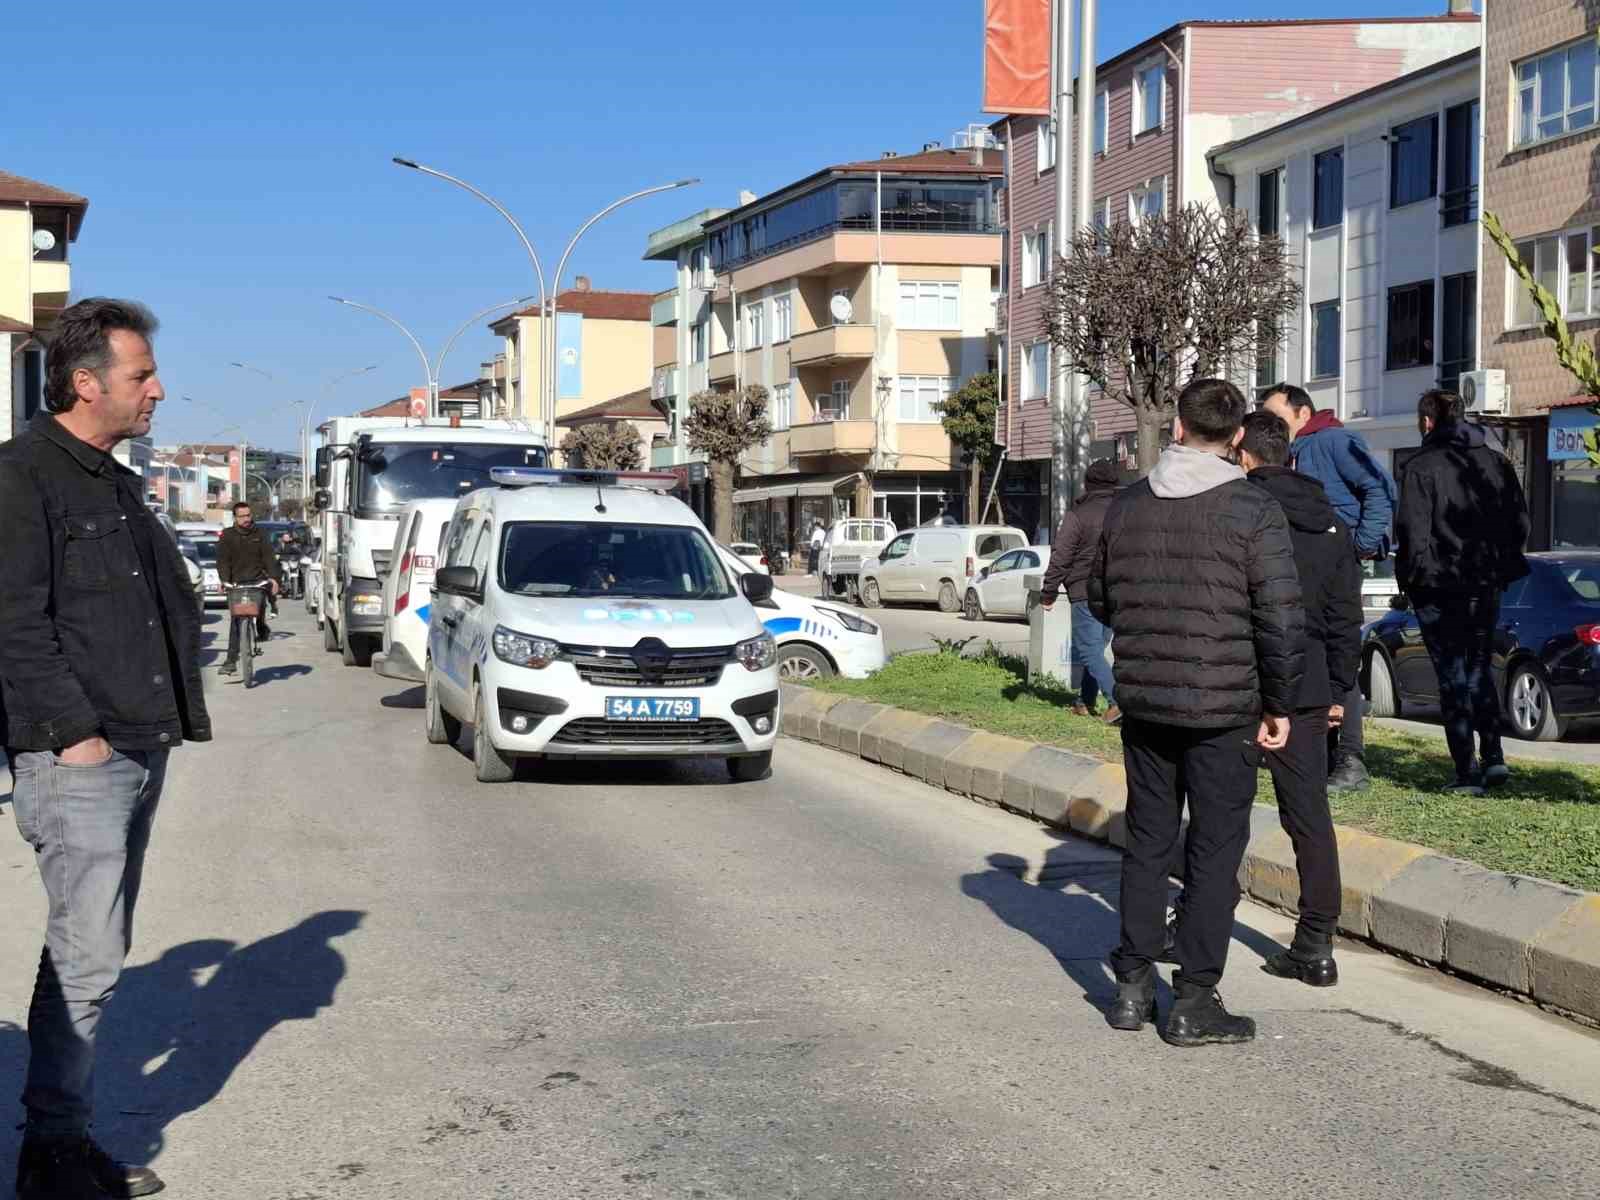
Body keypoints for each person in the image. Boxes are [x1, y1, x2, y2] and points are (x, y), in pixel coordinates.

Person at [0, 297, 210, 1199]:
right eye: (141, 376)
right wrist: (72, 736)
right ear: (86, 384)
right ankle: (51, 1155)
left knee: (95, 949)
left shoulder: (110, 477)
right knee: (86, 957)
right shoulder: (23, 477)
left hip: (133, 743)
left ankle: (60, 1137)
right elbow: (14, 623)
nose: (159, 389)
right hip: (81, 753)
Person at [1089, 378, 1303, 1047]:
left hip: (1147, 703)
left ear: (1177, 427)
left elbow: (1101, 598)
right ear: (1239, 437)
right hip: (1226, 708)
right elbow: (1280, 617)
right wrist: (1281, 703)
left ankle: (1129, 987)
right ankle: (1194, 997)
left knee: (1147, 842)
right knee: (1213, 850)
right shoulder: (1252, 509)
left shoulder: (1125, 507)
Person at [1238, 411, 1363, 985]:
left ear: (1243, 453)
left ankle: (1189, 918)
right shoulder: (1332, 524)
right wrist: (1341, 689)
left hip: (1237, 678)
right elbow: (1345, 617)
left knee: (1217, 809)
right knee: (1309, 813)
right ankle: (1317, 942)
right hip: (1309, 684)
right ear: (1290, 455)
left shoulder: (1236, 509)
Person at [1262, 383, 1396, 795]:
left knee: (1339, 652)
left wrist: (1359, 545)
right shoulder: (1291, 451)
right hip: (1300, 566)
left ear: (1302, 413)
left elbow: (1381, 490)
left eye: (1276, 416)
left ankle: (1351, 758)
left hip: (1334, 566)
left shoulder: (1336, 440)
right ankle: (1321, 751)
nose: (1270, 426)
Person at [1396, 389, 1530, 794]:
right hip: (1484, 581)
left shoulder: (1421, 466)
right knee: (1477, 668)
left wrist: (1410, 583)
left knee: (1452, 675)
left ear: (1427, 422)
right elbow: (1519, 522)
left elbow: (1412, 534)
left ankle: (1466, 770)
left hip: (1439, 586)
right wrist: (1501, 564)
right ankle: (1493, 756)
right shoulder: (1495, 462)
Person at [1039, 459, 1122, 724]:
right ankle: (1084, 702)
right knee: (1095, 648)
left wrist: (1049, 591)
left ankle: (1116, 702)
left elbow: (1061, 555)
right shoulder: (1125, 511)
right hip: (1116, 591)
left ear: (1088, 485)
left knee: (1088, 650)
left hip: (1085, 590)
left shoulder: (1079, 515)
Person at [216, 500, 282, 676]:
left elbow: (269, 557)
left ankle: (261, 626)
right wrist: (224, 580)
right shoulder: (227, 535)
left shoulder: (260, 533)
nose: (246, 519)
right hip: (236, 583)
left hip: (257, 581)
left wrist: (274, 579)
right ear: (235, 518)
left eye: (248, 515)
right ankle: (231, 661)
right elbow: (222, 560)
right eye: (242, 516)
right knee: (236, 621)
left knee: (260, 605)